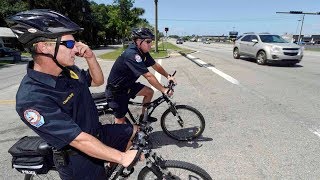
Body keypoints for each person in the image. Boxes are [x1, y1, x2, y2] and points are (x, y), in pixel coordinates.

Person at [8, 9, 138, 180]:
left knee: (134, 131)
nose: (76, 48)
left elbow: (97, 81)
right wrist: (122, 157)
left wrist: (91, 57)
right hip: (78, 158)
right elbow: (77, 139)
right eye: (69, 44)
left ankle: (110, 167)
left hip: (97, 134)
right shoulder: (32, 97)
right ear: (43, 47)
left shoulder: (68, 71)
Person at [105, 27, 176, 124]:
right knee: (120, 121)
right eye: (148, 42)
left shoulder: (143, 52)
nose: (150, 45)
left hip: (128, 85)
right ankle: (117, 138)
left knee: (149, 92)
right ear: (138, 41)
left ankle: (143, 118)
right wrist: (163, 90)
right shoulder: (132, 54)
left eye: (151, 41)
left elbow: (155, 65)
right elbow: (148, 76)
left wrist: (168, 76)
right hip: (117, 91)